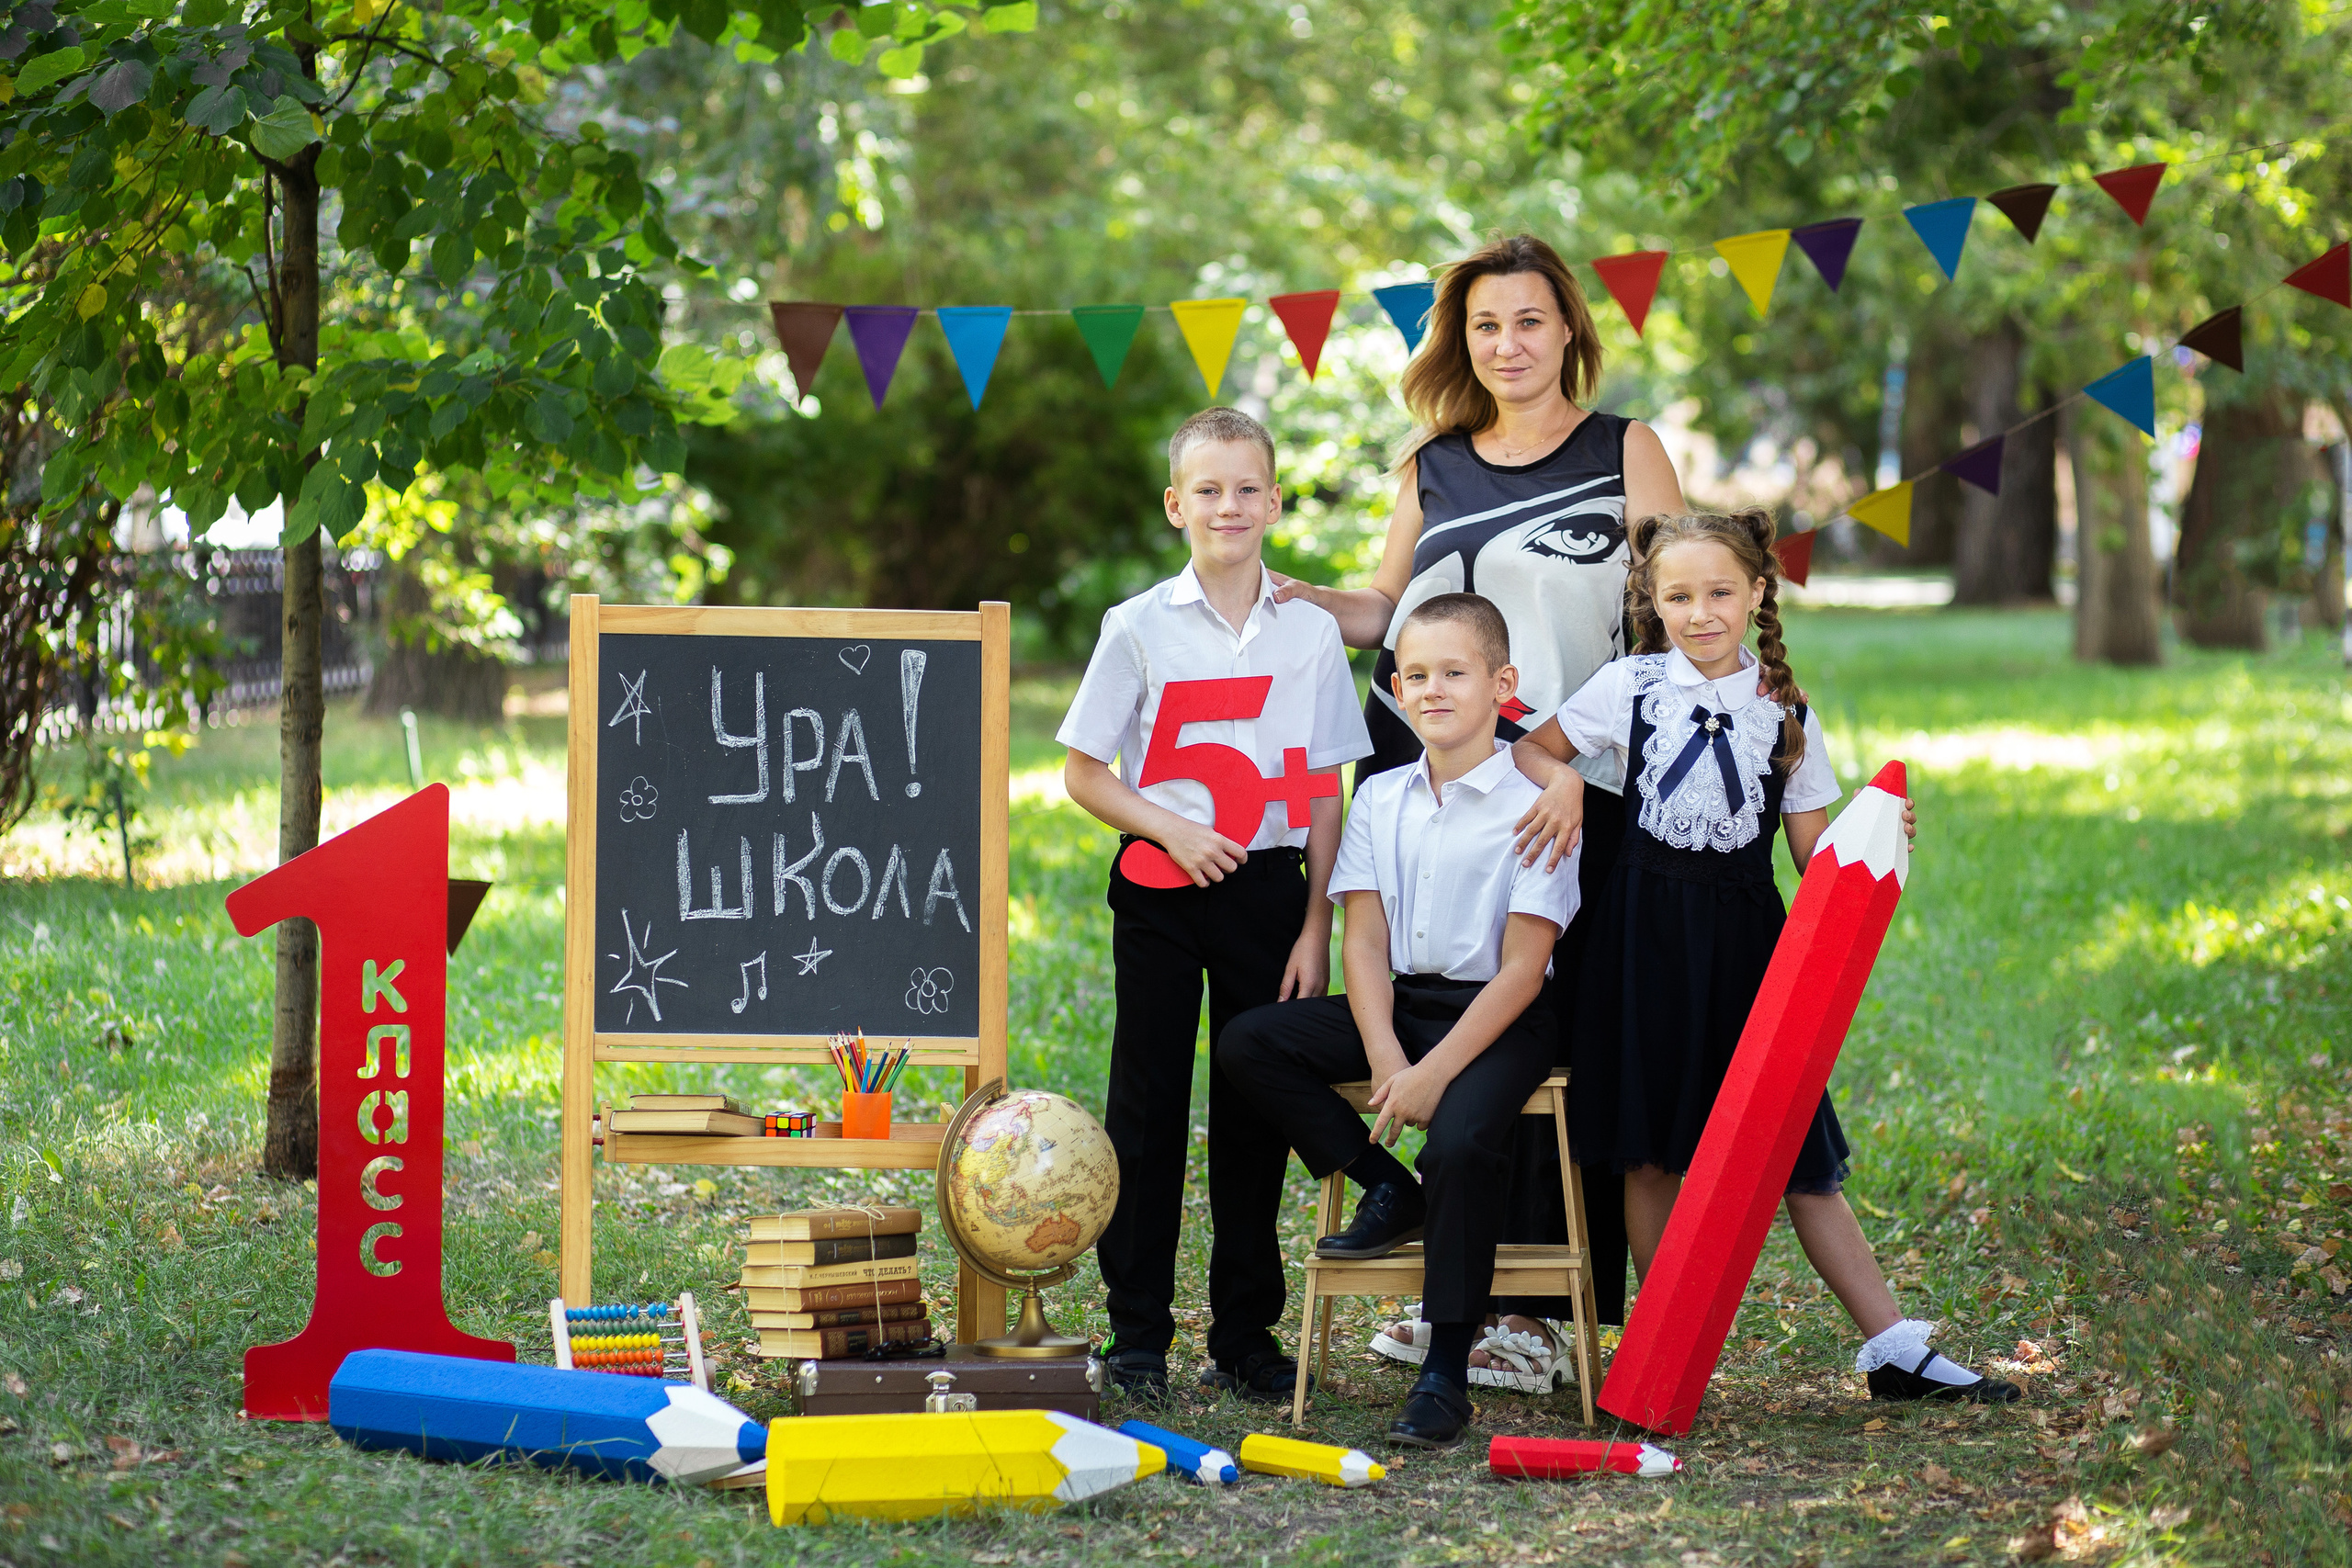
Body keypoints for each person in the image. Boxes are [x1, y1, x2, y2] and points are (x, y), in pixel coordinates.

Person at [1272, 232, 1688, 1386]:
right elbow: (1388, 611)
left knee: (1570, 1045)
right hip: (1446, 790)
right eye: (1485, 326)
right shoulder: (1432, 466)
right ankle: (1475, 1296)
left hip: (1583, 794)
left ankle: (1547, 1317)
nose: (1507, 345)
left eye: (1529, 322)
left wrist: (1559, 752)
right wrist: (1305, 595)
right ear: (1464, 341)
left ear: (1568, 333)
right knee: (1456, 1022)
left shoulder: (1625, 451)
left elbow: (1665, 619)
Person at [1516, 507, 2017, 1404]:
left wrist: (1877, 830)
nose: (1700, 611)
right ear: (1651, 599)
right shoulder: (1628, 685)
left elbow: (1811, 855)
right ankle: (1662, 1344)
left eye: (1719, 592)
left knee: (1796, 1149)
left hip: (1749, 955)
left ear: (1756, 592)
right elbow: (1533, 750)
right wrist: (1562, 782)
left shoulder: (1784, 710)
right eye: (1678, 595)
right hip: (1636, 948)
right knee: (1649, 1153)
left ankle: (1893, 1348)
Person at [1057, 406, 1372, 1404]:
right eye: (1207, 489)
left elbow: (1326, 786)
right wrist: (1167, 827)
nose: (1228, 505)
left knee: (1252, 1108)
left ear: (1274, 501)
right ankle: (1137, 1330)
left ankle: (1244, 1332)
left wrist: (1316, 920)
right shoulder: (1138, 624)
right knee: (1144, 1107)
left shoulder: (1314, 633)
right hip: (1160, 882)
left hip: (1267, 894)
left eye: (1246, 488)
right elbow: (1080, 772)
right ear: (1174, 506)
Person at [1217, 592, 1579, 1448]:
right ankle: (1386, 1181)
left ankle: (1446, 1369)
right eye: (1415, 675)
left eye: (1454, 673)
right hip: (1403, 1005)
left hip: (1501, 1013)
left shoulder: (1538, 801)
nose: (1433, 690)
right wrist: (1386, 1055)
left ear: (1502, 683)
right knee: (1251, 1040)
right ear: (1395, 688)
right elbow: (1365, 940)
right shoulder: (1380, 795)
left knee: (1459, 1136)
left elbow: (1525, 969)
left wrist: (1432, 1073)